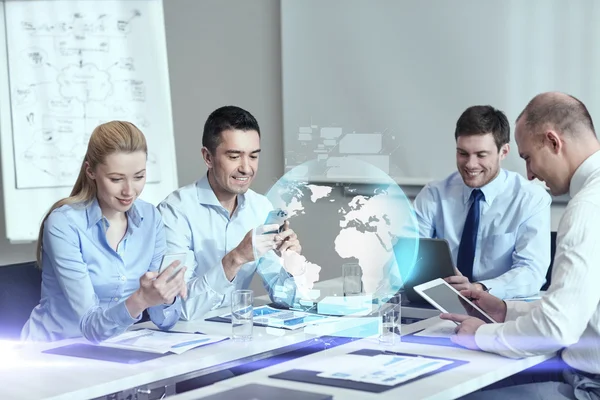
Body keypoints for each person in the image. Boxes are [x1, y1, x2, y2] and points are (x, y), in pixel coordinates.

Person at [441, 92, 600, 399]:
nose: (529, 174)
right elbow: (581, 308)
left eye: (528, 158)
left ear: (553, 142)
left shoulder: (588, 208)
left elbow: (557, 327)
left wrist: (481, 335)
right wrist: (505, 310)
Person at [21, 121, 187, 342]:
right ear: (91, 171)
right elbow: (91, 327)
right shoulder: (64, 224)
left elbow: (165, 320)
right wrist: (141, 299)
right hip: (53, 351)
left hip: (115, 347)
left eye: (138, 176)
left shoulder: (151, 218)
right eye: (116, 179)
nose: (129, 191)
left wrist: (166, 296)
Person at [158, 105, 311, 321]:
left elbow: (286, 298)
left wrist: (291, 264)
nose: (246, 168)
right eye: (234, 156)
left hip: (237, 331)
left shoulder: (261, 207)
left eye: (253, 156)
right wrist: (236, 258)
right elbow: (178, 308)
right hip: (184, 338)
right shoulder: (175, 212)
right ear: (208, 157)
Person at [413, 105, 551, 299]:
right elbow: (408, 257)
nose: (470, 164)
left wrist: (478, 289)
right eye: (462, 153)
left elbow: (531, 273)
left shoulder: (531, 199)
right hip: (440, 303)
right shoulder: (434, 195)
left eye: (481, 155)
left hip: (502, 309)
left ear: (503, 152)